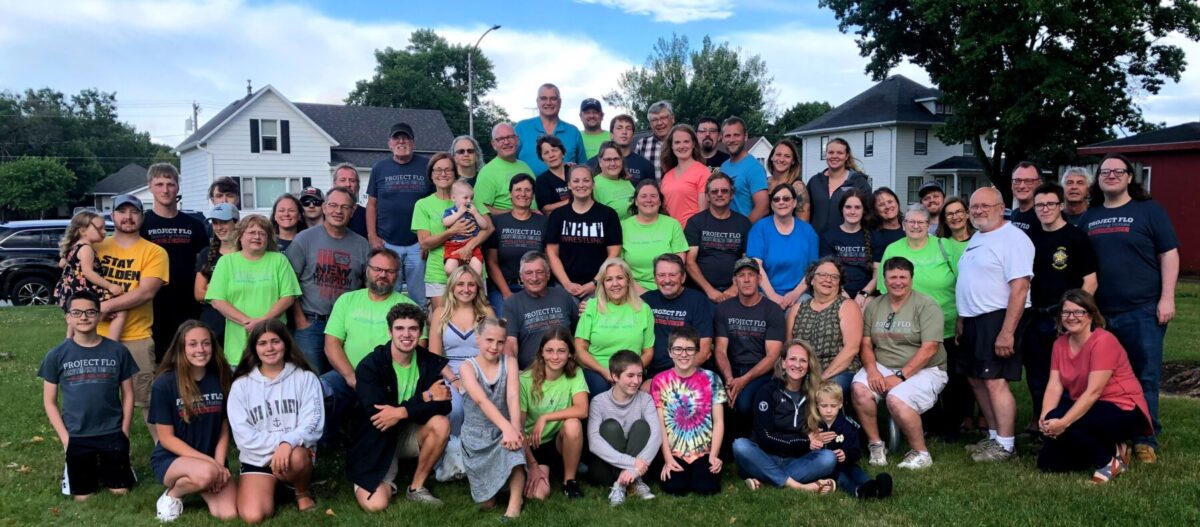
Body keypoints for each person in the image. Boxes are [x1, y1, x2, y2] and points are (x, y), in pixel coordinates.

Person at [1080, 153, 1179, 463]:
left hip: (1143, 311)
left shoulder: (1149, 211)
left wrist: (1167, 298)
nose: (1111, 175)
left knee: (1145, 376)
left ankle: (1145, 438)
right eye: (1104, 171)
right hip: (1101, 315)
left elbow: (1170, 254)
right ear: (1098, 179)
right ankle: (1116, 433)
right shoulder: (1089, 217)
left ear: (1129, 177)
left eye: (1117, 171)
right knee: (1105, 378)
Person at [1037, 290, 1152, 483]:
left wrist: (1063, 422)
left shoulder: (1103, 341)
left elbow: (1094, 392)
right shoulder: (1060, 344)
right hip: (1093, 407)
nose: (1071, 317)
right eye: (1066, 312)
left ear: (1090, 315)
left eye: (1078, 312)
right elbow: (1054, 385)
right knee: (1048, 463)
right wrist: (1045, 418)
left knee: (1069, 423)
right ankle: (1116, 448)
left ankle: (1108, 462)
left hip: (1124, 409)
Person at [347, 304, 452, 510]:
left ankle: (417, 487)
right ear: (389, 331)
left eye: (413, 329)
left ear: (420, 332)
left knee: (440, 424)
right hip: (377, 438)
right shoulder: (371, 365)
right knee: (375, 505)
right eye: (399, 328)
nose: (406, 334)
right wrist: (425, 396)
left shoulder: (428, 362)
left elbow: (443, 406)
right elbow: (377, 415)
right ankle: (382, 477)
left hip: (409, 433)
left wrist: (401, 412)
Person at [957, 187, 1034, 463]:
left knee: (994, 381)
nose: (978, 211)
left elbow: (1020, 287)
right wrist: (962, 319)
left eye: (985, 206)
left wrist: (1007, 332)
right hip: (975, 320)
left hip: (999, 318)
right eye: (974, 206)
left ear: (1001, 208)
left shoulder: (1013, 238)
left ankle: (1006, 445)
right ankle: (992, 437)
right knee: (977, 379)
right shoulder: (979, 236)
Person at [40, 291, 137, 501]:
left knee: (120, 492)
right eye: (77, 312)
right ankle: (75, 468)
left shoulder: (117, 351)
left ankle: (116, 465)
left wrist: (124, 431)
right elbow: (49, 402)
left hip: (112, 432)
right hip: (77, 435)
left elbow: (129, 395)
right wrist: (66, 439)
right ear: (68, 318)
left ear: (99, 315)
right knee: (83, 497)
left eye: (90, 312)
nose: (84, 317)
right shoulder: (56, 355)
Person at [320, 248, 422, 448]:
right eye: (377, 269)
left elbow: (419, 348)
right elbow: (331, 343)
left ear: (397, 275)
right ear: (367, 270)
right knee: (321, 389)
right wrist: (351, 377)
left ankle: (376, 446)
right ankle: (326, 443)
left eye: (390, 271)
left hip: (389, 380)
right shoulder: (347, 300)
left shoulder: (408, 307)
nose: (382, 274)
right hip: (349, 374)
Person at [854, 257, 949, 470]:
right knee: (860, 390)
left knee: (897, 400)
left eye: (903, 277)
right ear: (884, 280)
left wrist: (900, 376)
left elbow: (930, 348)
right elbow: (866, 343)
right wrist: (871, 371)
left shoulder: (927, 305)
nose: (898, 282)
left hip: (925, 368)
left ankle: (921, 453)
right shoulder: (875, 305)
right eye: (892, 277)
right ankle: (876, 444)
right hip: (883, 364)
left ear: (911, 279)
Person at [227, 319, 324, 522]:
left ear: (286, 344)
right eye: (262, 343)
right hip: (257, 459)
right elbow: (243, 437)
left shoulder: (305, 378)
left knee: (298, 458)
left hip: (293, 456)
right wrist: (279, 445)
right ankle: (276, 488)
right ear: (254, 348)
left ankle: (301, 491)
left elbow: (313, 424)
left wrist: (288, 444)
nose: (270, 348)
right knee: (253, 516)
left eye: (275, 341)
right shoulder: (241, 385)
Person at [1024, 183, 1097, 435]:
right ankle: (1039, 419)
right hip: (1034, 315)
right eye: (1040, 205)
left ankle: (1068, 422)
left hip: (1064, 317)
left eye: (1050, 204)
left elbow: (1090, 280)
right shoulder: (1029, 237)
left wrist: (1076, 316)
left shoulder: (1076, 237)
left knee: (1068, 374)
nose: (1045, 209)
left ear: (1061, 206)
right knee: (1036, 374)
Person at [94, 194, 168, 440]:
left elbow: (145, 292)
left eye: (134, 212)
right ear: (112, 216)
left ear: (142, 217)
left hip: (137, 336)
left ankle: (164, 451)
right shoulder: (95, 248)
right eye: (122, 211)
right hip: (95, 336)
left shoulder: (154, 252)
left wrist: (102, 307)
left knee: (147, 399)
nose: (128, 217)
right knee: (99, 401)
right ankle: (104, 452)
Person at [149, 321, 237, 522]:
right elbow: (167, 439)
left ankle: (201, 479)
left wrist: (219, 463)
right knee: (206, 474)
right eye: (193, 344)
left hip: (211, 460)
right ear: (181, 348)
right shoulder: (164, 384)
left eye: (206, 343)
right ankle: (173, 494)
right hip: (172, 459)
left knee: (228, 513)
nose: (201, 349)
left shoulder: (222, 377)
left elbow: (224, 427)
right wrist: (211, 465)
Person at [732, 340, 837, 494]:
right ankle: (798, 485)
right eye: (792, 359)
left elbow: (818, 434)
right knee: (740, 446)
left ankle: (765, 477)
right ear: (783, 363)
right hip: (766, 455)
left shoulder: (814, 394)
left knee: (828, 458)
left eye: (803, 360)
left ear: (808, 366)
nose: (797, 364)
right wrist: (805, 441)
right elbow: (764, 437)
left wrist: (816, 437)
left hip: (797, 460)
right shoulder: (767, 391)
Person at [286, 186, 371, 374]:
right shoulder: (304, 239)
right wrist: (300, 321)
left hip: (347, 326)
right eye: (333, 205)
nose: (338, 211)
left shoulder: (362, 245)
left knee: (343, 379)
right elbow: (288, 284)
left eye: (344, 207)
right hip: (311, 323)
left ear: (353, 211)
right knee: (309, 379)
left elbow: (367, 287)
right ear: (324, 207)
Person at [206, 216, 301, 365]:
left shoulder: (279, 260)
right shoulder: (226, 262)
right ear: (240, 236)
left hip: (274, 344)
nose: (257, 236)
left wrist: (263, 322)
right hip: (238, 348)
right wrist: (248, 322)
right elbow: (217, 300)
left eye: (262, 233)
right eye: (251, 232)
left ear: (268, 238)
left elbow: (288, 297)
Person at [459, 317, 525, 519]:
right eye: (489, 340)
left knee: (514, 452)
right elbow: (481, 401)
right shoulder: (467, 367)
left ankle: (515, 504)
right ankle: (497, 488)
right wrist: (508, 428)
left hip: (503, 431)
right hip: (476, 436)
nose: (495, 347)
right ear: (477, 339)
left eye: (500, 342)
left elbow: (513, 396)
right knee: (487, 503)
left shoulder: (510, 363)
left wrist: (513, 428)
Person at [141, 163, 208, 361]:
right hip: (153, 304)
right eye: (159, 184)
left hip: (189, 303)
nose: (165, 189)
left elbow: (205, 264)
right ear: (150, 187)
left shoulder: (194, 225)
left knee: (188, 357)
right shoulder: (143, 224)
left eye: (170, 184)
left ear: (178, 187)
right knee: (159, 360)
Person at [651, 327, 725, 496]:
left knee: (706, 488)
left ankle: (704, 467)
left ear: (697, 351)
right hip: (674, 451)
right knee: (674, 488)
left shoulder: (711, 379)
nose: (683, 354)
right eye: (678, 349)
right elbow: (660, 424)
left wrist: (714, 455)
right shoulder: (659, 381)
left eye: (689, 349)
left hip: (703, 451)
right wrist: (668, 459)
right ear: (670, 352)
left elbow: (719, 421)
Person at [366, 122, 433, 307]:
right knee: (389, 295)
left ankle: (420, 334)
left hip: (418, 244)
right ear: (390, 143)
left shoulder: (427, 166)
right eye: (397, 138)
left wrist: (428, 238)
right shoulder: (379, 168)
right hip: (388, 243)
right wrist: (372, 236)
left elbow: (436, 201)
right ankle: (387, 333)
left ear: (413, 143)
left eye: (406, 138)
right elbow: (372, 204)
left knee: (418, 297)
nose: (401, 141)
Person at [519, 326, 590, 500]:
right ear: (541, 353)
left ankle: (569, 481)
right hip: (533, 444)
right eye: (549, 351)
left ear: (570, 354)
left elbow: (582, 409)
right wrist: (532, 464)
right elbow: (518, 428)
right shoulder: (525, 380)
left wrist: (545, 417)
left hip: (558, 442)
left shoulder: (575, 374)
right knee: (538, 495)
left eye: (561, 351)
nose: (555, 357)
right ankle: (537, 471)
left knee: (573, 424)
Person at [588, 350, 661, 505]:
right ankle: (628, 481)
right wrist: (632, 463)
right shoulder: (598, 402)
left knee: (642, 427)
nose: (636, 381)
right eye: (630, 375)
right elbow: (594, 442)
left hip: (638, 470)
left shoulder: (645, 400)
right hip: (605, 470)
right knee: (610, 427)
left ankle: (623, 484)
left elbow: (657, 435)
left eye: (640, 375)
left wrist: (634, 470)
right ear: (614, 376)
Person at [714, 258, 785, 415]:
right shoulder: (724, 309)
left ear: (759, 279)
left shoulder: (773, 310)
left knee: (744, 404)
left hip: (760, 371)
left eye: (751, 274)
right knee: (718, 402)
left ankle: (745, 439)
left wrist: (744, 380)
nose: (746, 280)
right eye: (741, 275)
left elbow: (773, 356)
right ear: (734, 280)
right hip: (730, 369)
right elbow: (720, 349)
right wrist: (729, 379)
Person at [428, 267, 494, 435]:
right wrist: (454, 379)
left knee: (481, 411)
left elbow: (494, 351)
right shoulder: (440, 313)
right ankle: (453, 453)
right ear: (452, 287)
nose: (466, 289)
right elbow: (434, 356)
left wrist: (478, 378)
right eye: (460, 284)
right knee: (455, 409)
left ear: (478, 287)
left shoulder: (486, 312)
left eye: (471, 284)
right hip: (450, 373)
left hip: (481, 372)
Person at [415, 153, 483, 312]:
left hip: (473, 269)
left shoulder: (468, 198)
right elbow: (424, 242)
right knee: (441, 322)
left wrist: (469, 247)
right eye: (437, 170)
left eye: (448, 169)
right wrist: (452, 231)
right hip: (440, 273)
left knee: (475, 322)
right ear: (431, 175)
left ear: (455, 172)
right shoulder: (423, 204)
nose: (443, 174)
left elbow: (488, 228)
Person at [576, 258, 655, 394]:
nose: (615, 284)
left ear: (628, 281)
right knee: (601, 388)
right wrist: (604, 371)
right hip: (598, 371)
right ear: (603, 284)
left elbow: (648, 352)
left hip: (632, 371)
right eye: (609, 279)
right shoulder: (591, 306)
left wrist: (629, 373)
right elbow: (580, 348)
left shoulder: (643, 309)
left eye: (620, 278)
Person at [785, 258, 863, 395]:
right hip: (803, 369)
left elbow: (851, 349)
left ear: (839, 283)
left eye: (834, 277)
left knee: (824, 394)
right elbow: (789, 346)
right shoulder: (797, 308)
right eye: (822, 275)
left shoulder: (847, 306)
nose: (828, 280)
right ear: (812, 280)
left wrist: (822, 378)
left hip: (838, 371)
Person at [546, 165, 623, 301]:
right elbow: (552, 253)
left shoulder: (608, 214)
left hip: (599, 286)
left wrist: (595, 282)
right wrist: (566, 284)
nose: (581, 185)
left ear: (593, 184)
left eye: (586, 180)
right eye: (576, 181)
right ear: (569, 185)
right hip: (564, 287)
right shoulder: (558, 215)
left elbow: (614, 253)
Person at [641, 254, 714, 383]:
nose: (667, 280)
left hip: (690, 371)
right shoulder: (646, 301)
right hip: (654, 374)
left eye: (672, 275)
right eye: (661, 275)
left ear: (683, 277)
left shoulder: (698, 301)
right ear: (655, 278)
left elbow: (704, 350)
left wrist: (674, 377)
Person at [503, 251, 580, 369]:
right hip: (530, 372)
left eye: (539, 272)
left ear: (548, 274)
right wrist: (513, 371)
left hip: (565, 369)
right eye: (529, 273)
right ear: (521, 277)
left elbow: (578, 333)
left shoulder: (562, 295)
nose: (534, 278)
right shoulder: (512, 303)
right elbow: (510, 343)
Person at [813, 382, 892, 498]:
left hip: (848, 464)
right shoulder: (813, 426)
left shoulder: (849, 427)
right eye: (824, 406)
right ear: (817, 405)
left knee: (857, 473)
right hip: (829, 470)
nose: (828, 410)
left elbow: (856, 452)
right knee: (842, 479)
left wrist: (845, 455)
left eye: (833, 406)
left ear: (840, 404)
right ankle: (857, 491)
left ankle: (876, 487)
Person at [56, 211, 127, 339]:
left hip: (70, 291)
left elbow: (62, 264)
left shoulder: (73, 246)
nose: (104, 232)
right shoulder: (86, 248)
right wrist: (110, 286)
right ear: (83, 231)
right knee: (121, 311)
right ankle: (112, 345)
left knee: (75, 314)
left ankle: (69, 340)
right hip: (85, 291)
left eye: (104, 228)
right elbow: (88, 272)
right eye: (100, 228)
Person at [747, 185, 819, 309]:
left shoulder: (808, 231)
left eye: (786, 199)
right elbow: (756, 266)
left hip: (799, 294)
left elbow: (813, 270)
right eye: (776, 199)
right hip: (765, 293)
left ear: (794, 202)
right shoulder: (760, 228)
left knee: (801, 310)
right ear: (771, 204)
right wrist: (773, 296)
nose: (781, 202)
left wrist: (794, 295)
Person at [685, 173, 751, 303]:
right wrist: (709, 290)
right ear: (707, 196)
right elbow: (689, 262)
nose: (719, 194)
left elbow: (747, 261)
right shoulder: (695, 222)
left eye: (724, 191)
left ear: (732, 194)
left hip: (735, 292)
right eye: (714, 191)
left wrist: (735, 287)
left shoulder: (743, 223)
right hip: (700, 292)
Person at [486, 175, 547, 314]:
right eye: (518, 190)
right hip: (504, 287)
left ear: (533, 195)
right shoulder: (497, 222)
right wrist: (507, 293)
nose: (523, 194)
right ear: (510, 194)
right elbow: (491, 262)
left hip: (536, 287)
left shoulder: (544, 222)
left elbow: (548, 258)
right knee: (504, 327)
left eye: (527, 190)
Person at [621, 179, 688, 292]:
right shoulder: (622, 227)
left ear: (660, 201)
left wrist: (664, 290)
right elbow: (619, 267)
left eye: (653, 196)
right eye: (643, 196)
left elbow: (679, 265)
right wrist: (641, 293)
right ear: (636, 201)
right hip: (632, 289)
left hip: (668, 287)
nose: (648, 200)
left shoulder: (672, 224)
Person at [819, 189, 878, 300]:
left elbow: (877, 275)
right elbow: (827, 271)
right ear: (842, 209)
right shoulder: (829, 237)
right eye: (848, 207)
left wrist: (864, 294)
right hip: (836, 292)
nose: (852, 212)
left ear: (863, 210)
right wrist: (841, 292)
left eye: (857, 207)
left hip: (866, 295)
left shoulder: (874, 236)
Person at [515, 83, 587, 175]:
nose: (548, 103)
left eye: (553, 98)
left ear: (560, 102)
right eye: (543, 98)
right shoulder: (521, 128)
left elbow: (583, 168)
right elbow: (508, 161)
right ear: (537, 101)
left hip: (566, 189)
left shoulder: (573, 132)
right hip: (528, 189)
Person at [195, 204, 239, 347]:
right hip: (213, 324)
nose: (219, 227)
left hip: (240, 322)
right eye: (215, 223)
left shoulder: (246, 253)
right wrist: (234, 290)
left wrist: (213, 288)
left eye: (224, 222)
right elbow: (199, 293)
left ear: (236, 223)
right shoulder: (206, 253)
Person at [807, 138, 872, 235]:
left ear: (846, 156)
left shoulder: (859, 182)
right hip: (817, 243)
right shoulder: (815, 182)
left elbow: (869, 215)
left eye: (839, 153)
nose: (834, 156)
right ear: (826, 155)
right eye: (831, 152)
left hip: (846, 244)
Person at [475, 122, 536, 214]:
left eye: (510, 137)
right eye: (500, 139)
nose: (506, 142)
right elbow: (480, 207)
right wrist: (516, 213)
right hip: (507, 227)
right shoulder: (487, 172)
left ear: (517, 139)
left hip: (533, 225)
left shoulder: (525, 166)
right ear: (493, 144)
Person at [719, 117, 769, 222]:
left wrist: (743, 231)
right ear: (722, 139)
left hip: (745, 234)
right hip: (726, 232)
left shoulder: (754, 168)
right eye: (727, 136)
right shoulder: (724, 167)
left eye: (736, 135)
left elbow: (763, 208)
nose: (732, 140)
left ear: (745, 136)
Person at [659, 124, 709, 227]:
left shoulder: (703, 172)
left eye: (686, 141)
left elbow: (704, 213)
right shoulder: (667, 176)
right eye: (677, 142)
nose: (682, 146)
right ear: (671, 146)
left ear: (693, 144)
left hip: (692, 235)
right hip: (670, 234)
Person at [440, 180, 491, 277]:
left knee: (477, 270)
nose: (469, 201)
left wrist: (476, 214)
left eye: (471, 198)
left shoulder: (473, 212)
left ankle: (471, 282)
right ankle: (458, 281)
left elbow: (485, 226)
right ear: (454, 198)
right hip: (454, 245)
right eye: (465, 198)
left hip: (472, 244)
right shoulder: (451, 211)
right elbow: (445, 222)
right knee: (449, 269)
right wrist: (459, 213)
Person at [588, 113, 655, 184]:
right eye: (619, 128)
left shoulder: (646, 166)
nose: (624, 132)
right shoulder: (592, 164)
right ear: (611, 135)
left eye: (628, 128)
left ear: (633, 135)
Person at [766, 139, 810, 222]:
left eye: (787, 156)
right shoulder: (764, 183)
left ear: (793, 161)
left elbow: (803, 224)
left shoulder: (798, 187)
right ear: (772, 157)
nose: (781, 159)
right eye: (778, 154)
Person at [593, 141, 637, 221]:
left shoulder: (626, 180)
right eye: (608, 159)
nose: (613, 163)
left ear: (622, 161)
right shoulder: (594, 185)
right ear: (600, 162)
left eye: (616, 159)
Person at [634, 100, 675, 180]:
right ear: (650, 124)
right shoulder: (642, 144)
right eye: (654, 120)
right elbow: (637, 173)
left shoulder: (683, 143)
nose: (659, 123)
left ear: (672, 119)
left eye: (663, 118)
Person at [533, 135, 571, 214]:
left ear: (563, 153)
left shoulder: (575, 171)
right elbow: (546, 209)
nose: (551, 155)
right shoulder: (542, 180)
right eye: (546, 153)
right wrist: (573, 200)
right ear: (542, 158)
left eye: (554, 150)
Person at [332, 162, 368, 238]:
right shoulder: (325, 214)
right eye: (343, 180)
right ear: (334, 184)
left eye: (352, 180)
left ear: (358, 186)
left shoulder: (368, 215)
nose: (348, 184)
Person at [1008, 161, 1044, 233]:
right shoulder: (1014, 214)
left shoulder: (1045, 214)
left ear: (1040, 183)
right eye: (1017, 180)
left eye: (1028, 181)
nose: (1022, 186)